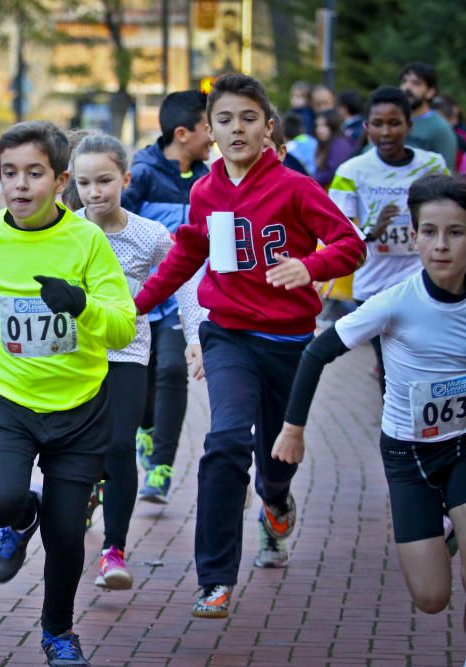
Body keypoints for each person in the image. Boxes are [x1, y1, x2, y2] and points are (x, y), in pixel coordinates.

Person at [133, 73, 365, 619]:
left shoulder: (296, 188)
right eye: (225, 119)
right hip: (228, 334)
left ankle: (276, 501)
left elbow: (350, 247)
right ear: (209, 131)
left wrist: (308, 266)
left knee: (274, 461)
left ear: (268, 128)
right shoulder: (205, 190)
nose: (237, 128)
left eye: (248, 118)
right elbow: (187, 253)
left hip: (287, 343)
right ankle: (215, 578)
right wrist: (138, 304)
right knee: (226, 438)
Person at [0, 120, 136, 666]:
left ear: (60, 181)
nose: (20, 185)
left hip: (80, 408)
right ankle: (19, 517)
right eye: (10, 173)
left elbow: (123, 326)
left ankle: (58, 633)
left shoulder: (87, 240)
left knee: (67, 535)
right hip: (8, 399)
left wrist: (79, 305)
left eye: (34, 173)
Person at [272, 173, 466, 635]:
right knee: (431, 598)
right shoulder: (394, 303)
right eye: (429, 232)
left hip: (463, 443)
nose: (441, 245)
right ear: (414, 237)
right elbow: (317, 352)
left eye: (456, 233)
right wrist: (292, 429)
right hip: (409, 454)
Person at [71, 133, 205, 591]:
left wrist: (194, 335)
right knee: (80, 449)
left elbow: (184, 279)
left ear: (126, 179)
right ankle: (89, 490)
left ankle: (114, 549)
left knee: (119, 445)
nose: (95, 192)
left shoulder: (149, 234)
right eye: (85, 183)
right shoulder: (65, 231)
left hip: (128, 354)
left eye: (105, 181)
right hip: (74, 357)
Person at [120, 90, 209, 504]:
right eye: (208, 126)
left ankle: (161, 468)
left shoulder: (209, 177)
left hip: (180, 298)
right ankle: (147, 429)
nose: (214, 135)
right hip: (139, 298)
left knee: (173, 370)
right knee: (141, 380)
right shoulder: (142, 174)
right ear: (182, 133)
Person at [328, 86, 448, 394]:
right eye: (377, 123)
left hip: (422, 282)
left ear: (409, 126)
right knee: (390, 373)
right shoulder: (351, 171)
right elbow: (336, 232)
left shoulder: (432, 165)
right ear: (366, 127)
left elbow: (453, 214)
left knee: (427, 367)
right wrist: (371, 230)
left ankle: (429, 436)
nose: (386, 131)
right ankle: (396, 437)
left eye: (394, 123)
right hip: (373, 288)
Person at [400, 62, 458, 171]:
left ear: (430, 92)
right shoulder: (392, 122)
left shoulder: (440, 128)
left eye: (416, 83)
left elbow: (445, 173)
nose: (407, 87)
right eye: (404, 81)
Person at [312, 109, 355, 188]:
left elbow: (333, 172)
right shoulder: (327, 143)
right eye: (317, 126)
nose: (318, 130)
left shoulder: (340, 145)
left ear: (333, 125)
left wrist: (311, 181)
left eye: (323, 126)